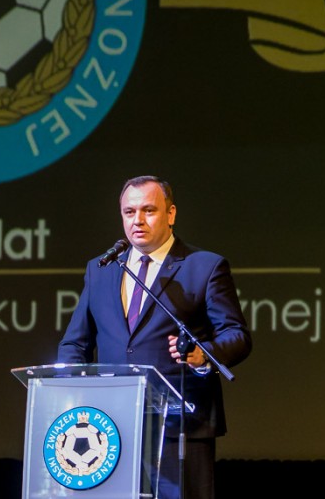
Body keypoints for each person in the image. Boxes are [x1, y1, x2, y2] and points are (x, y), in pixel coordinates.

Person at [57, 175, 252, 499]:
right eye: (129, 212)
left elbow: (237, 335)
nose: (138, 220)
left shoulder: (204, 266)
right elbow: (75, 343)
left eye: (148, 210)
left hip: (180, 427)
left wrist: (203, 354)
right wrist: (72, 394)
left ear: (170, 214)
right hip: (109, 428)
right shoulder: (102, 268)